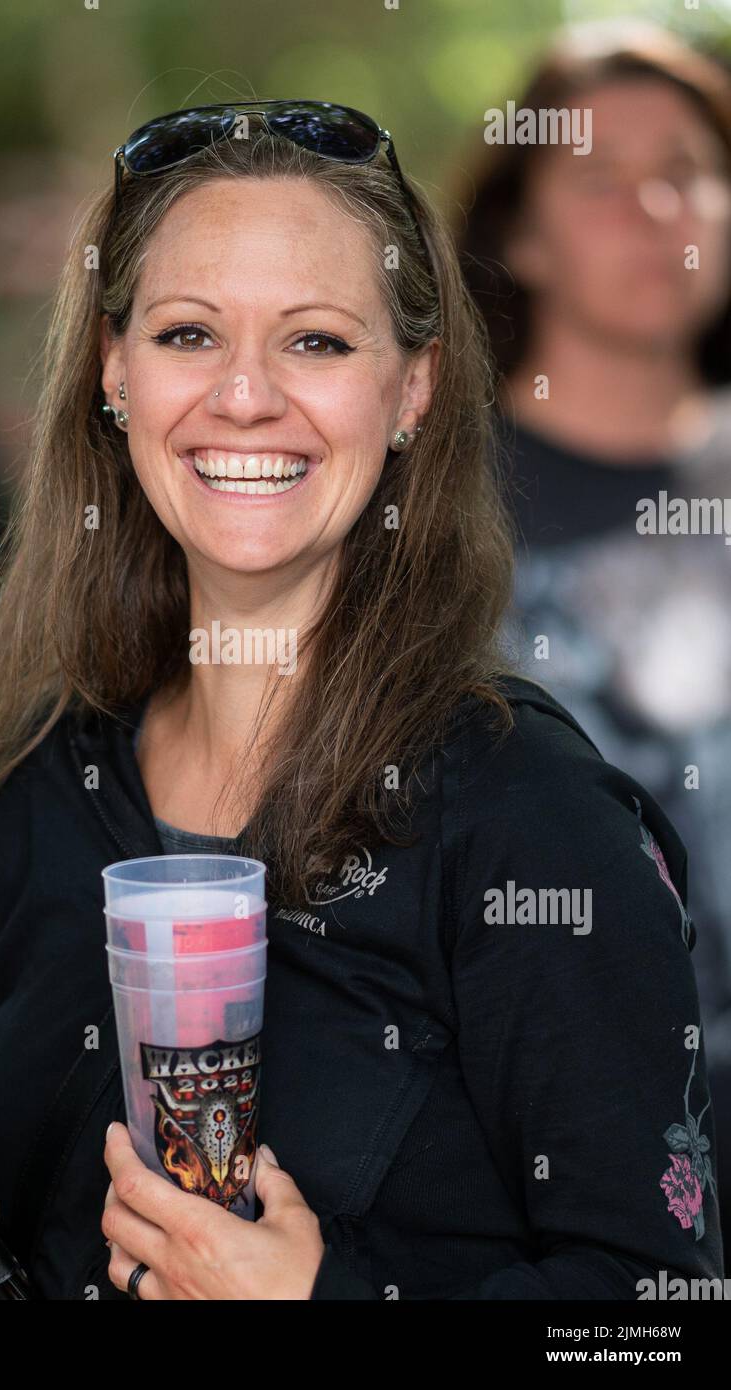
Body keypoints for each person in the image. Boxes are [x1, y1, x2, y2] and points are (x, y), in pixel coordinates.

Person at [0, 100, 723, 1300]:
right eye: (188, 334)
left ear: (414, 390)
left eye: (318, 342)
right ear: (115, 372)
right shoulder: (48, 780)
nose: (244, 396)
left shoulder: (536, 821)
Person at [454, 20, 731, 1247]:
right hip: (532, 1179)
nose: (655, 205)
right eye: (598, 178)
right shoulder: (429, 505)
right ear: (519, 234)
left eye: (686, 165)